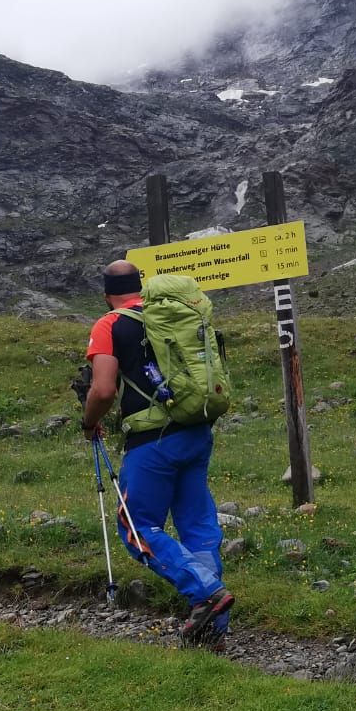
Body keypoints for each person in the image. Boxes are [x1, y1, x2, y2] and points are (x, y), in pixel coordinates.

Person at [81, 261, 233, 645]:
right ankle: (211, 629)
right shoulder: (173, 315)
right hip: (196, 431)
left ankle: (205, 594)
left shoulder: (110, 324)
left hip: (153, 441)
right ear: (141, 287)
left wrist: (89, 423)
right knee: (196, 524)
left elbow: (102, 391)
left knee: (136, 526)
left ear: (106, 293)